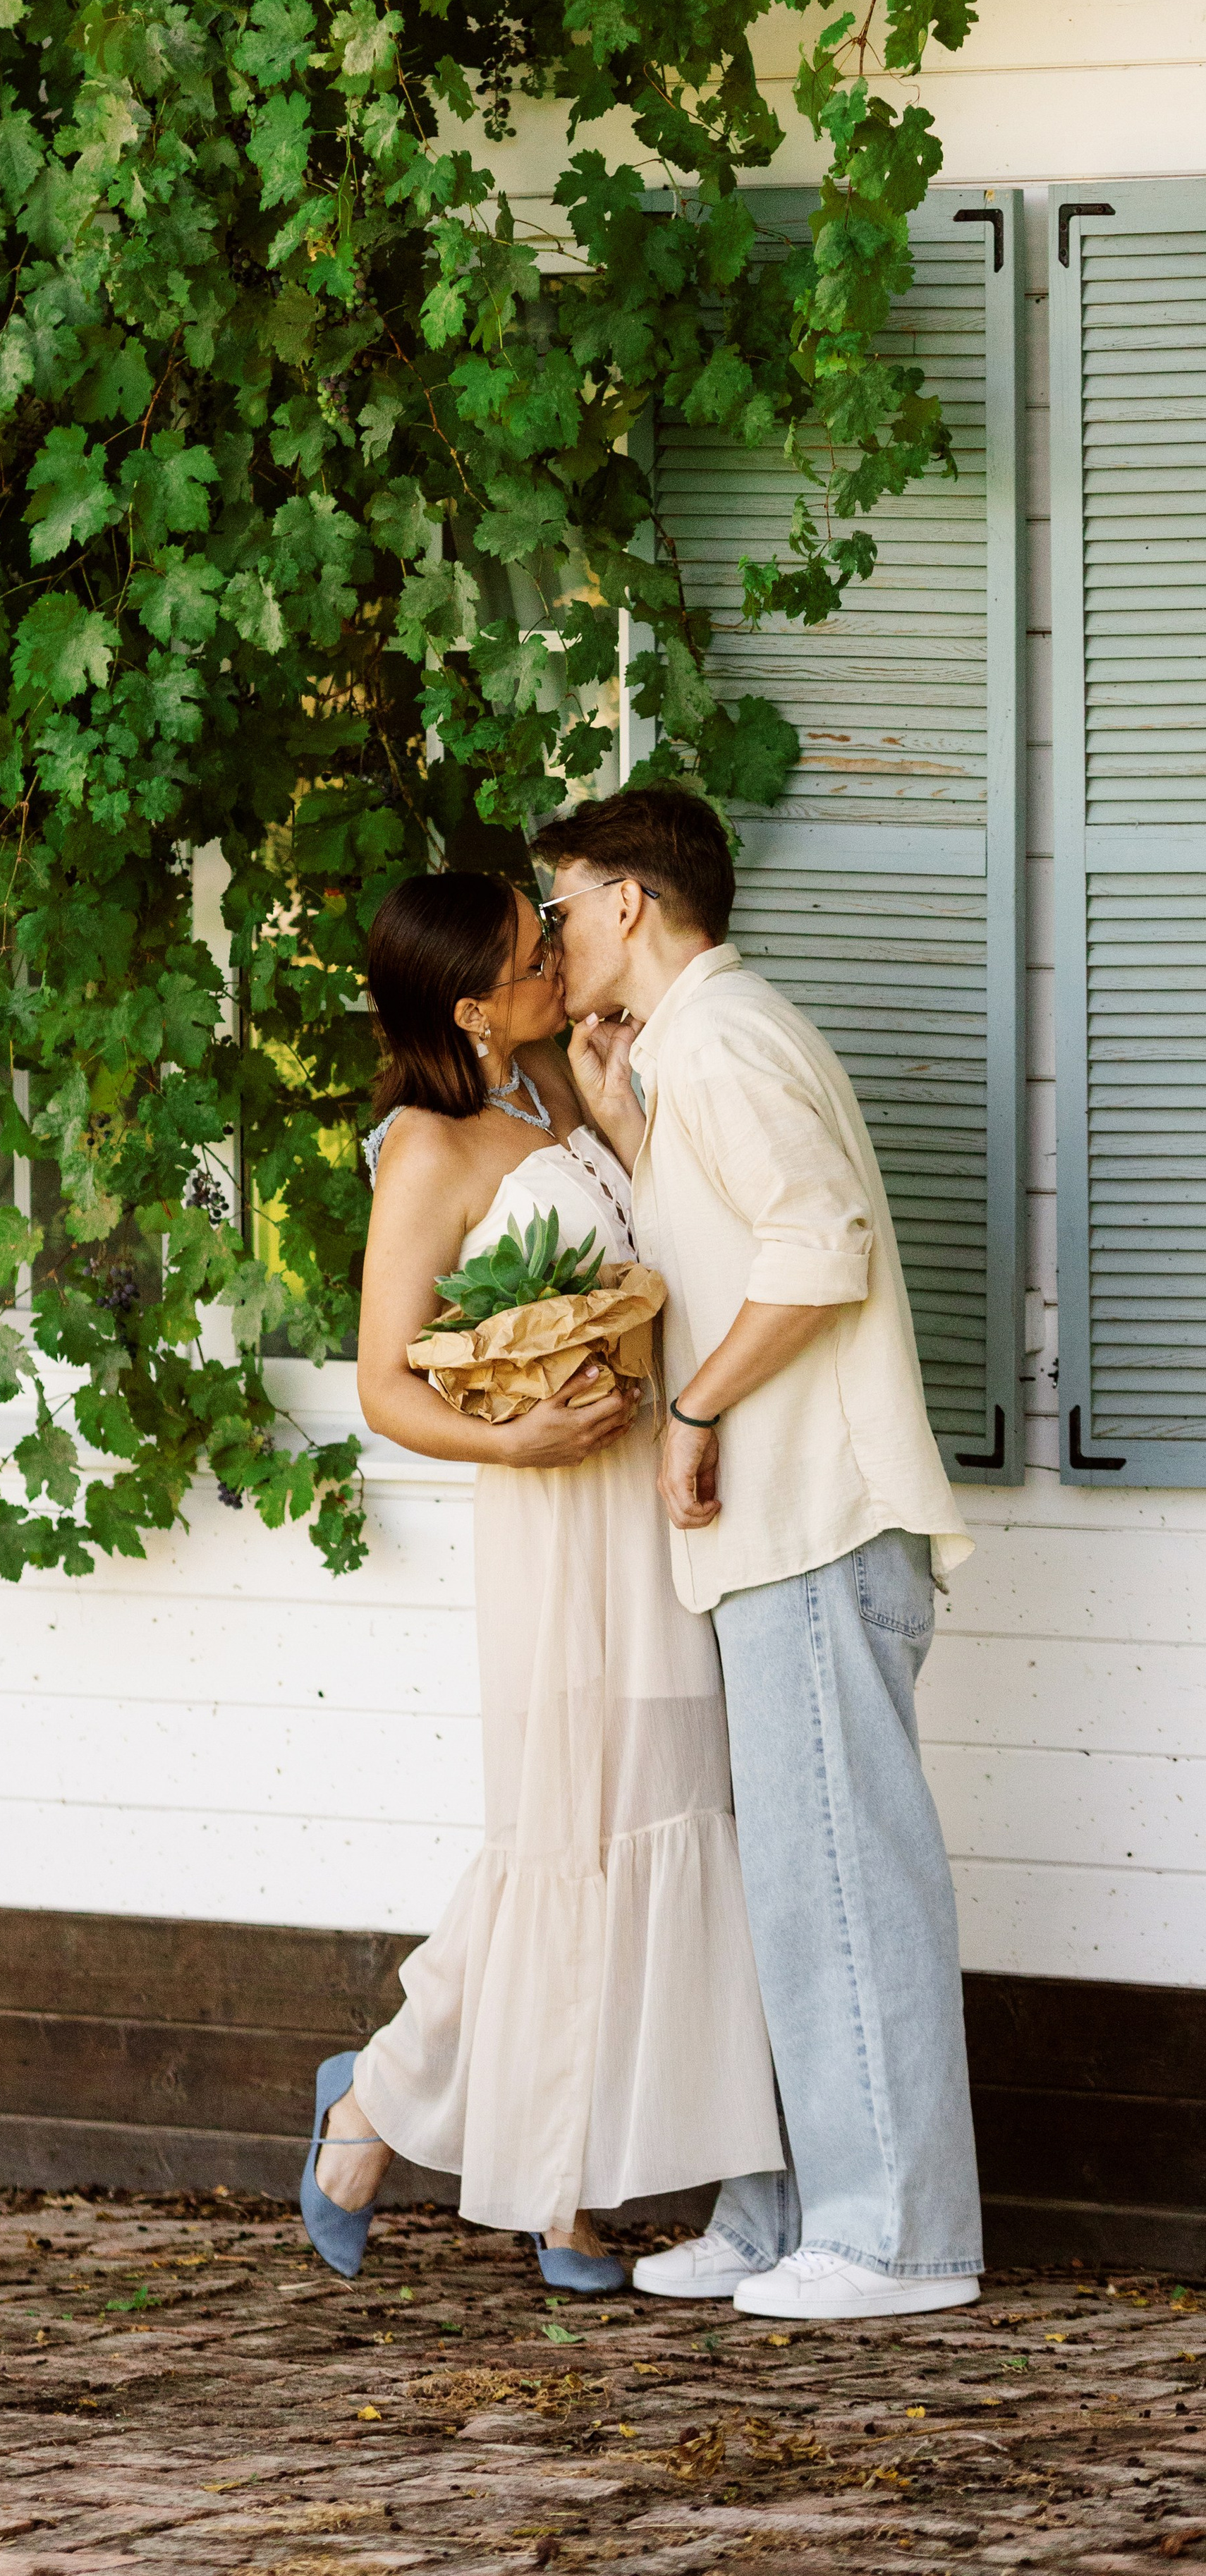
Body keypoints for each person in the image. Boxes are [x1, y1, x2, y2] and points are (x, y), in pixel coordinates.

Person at [538, 782, 984, 2322]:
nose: (550, 935)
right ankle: (777, 2203)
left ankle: (894, 2238)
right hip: (778, 1537)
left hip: (811, 1521)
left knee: (844, 1884)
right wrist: (619, 1125)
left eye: (561, 904)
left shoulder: (724, 1039)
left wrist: (692, 1410)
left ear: (628, 907)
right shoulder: (696, 1055)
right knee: (783, 1888)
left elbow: (819, 1247)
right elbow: (736, 1227)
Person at [300, 870, 783, 2292]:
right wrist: (516, 1431)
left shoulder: (557, 1097)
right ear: (470, 1006)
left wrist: (617, 1107)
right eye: (530, 955)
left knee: (650, 1821)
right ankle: (546, 2191)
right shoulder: (426, 1154)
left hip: (640, 1508)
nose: (558, 960)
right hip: (547, 1526)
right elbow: (385, 1388)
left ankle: (376, 2098)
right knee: (559, 1843)